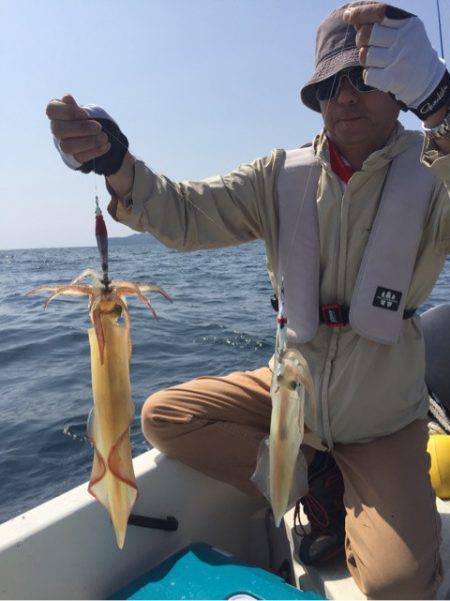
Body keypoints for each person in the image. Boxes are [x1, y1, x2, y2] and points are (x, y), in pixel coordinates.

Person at [47, 2, 450, 598]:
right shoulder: (278, 176)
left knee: (400, 583)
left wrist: (442, 102)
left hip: (384, 417)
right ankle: (315, 479)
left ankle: (342, 485)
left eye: (362, 79)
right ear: (315, 99)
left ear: (400, 88)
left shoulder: (434, 171)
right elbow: (183, 213)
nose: (344, 97)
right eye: (328, 85)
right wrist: (116, 164)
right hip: (290, 389)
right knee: (165, 416)